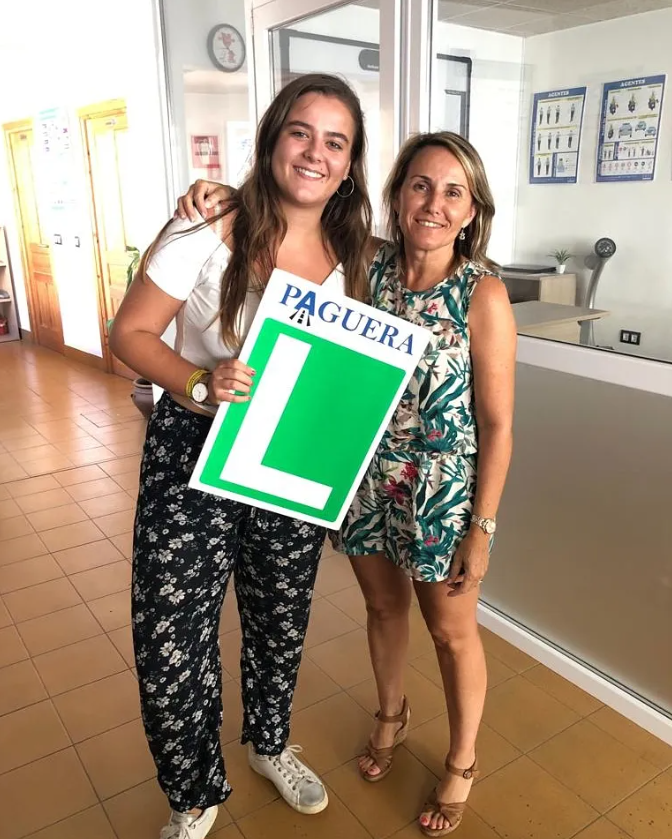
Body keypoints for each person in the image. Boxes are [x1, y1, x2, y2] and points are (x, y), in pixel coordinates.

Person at [177, 130, 516, 837]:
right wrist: (230, 198)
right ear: (397, 194)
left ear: (471, 210)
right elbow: (300, 213)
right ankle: (391, 714)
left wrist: (482, 528)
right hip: (363, 480)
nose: (433, 203)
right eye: (420, 185)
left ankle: (462, 760)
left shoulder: (481, 293)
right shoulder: (369, 266)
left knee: (451, 632)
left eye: (453, 192)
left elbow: (498, 424)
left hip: (442, 496)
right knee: (383, 609)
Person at [110, 72, 373, 839]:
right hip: (192, 450)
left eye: (335, 142)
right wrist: (199, 381)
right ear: (272, 138)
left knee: (279, 618)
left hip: (289, 458)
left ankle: (269, 741)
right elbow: (129, 334)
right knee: (171, 632)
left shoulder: (354, 257)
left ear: (349, 165)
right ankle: (193, 793)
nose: (315, 152)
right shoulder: (207, 224)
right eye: (301, 132)